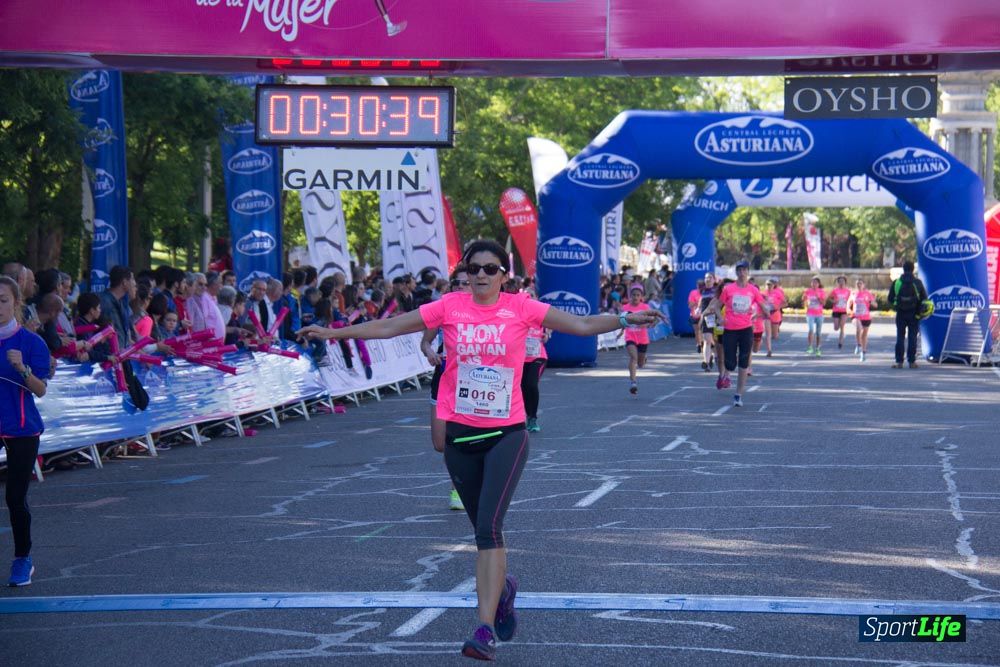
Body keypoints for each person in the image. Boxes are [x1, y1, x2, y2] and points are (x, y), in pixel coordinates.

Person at [298, 239, 663, 661]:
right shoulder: (449, 307)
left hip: (507, 432)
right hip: (460, 435)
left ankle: (484, 629)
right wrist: (331, 331)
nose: (483, 276)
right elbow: (389, 327)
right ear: (466, 273)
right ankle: (504, 589)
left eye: (491, 269)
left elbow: (579, 326)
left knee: (489, 529)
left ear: (503, 275)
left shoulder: (522, 307)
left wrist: (624, 317)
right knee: (482, 531)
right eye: (475, 269)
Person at [0, 276, 51, 586]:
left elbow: (41, 390)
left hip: (21, 428)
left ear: (16, 303)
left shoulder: (31, 343)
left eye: (3, 300)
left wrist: (23, 369)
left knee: (15, 498)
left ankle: (23, 559)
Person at [420, 265, 471, 511]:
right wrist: (431, 352)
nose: (460, 287)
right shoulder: (443, 309)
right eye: (456, 283)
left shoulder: (484, 310)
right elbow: (425, 341)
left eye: (465, 283)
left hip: (471, 380)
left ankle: (459, 487)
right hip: (443, 376)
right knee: (441, 443)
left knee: (461, 437)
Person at [705, 262, 769, 407]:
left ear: (748, 272)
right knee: (730, 363)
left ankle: (738, 394)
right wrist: (720, 318)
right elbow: (716, 306)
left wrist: (763, 313)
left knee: (744, 361)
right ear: (736, 273)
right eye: (739, 270)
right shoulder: (728, 289)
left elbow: (762, 305)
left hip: (746, 329)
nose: (741, 273)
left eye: (744, 270)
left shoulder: (753, 290)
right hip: (730, 329)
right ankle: (729, 373)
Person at [888, 260, 927, 368]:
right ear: (913, 269)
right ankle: (911, 361)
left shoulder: (897, 282)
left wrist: (897, 305)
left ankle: (899, 361)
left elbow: (890, 299)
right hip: (914, 314)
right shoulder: (917, 282)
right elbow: (924, 299)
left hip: (900, 313)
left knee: (900, 337)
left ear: (903, 269)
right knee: (912, 337)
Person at [622, 285, 651, 395]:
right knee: (633, 357)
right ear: (630, 296)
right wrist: (620, 331)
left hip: (643, 338)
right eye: (633, 295)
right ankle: (633, 383)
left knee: (641, 364)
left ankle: (644, 359)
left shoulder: (645, 307)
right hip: (630, 336)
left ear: (641, 296)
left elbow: (651, 320)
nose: (635, 297)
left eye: (638, 295)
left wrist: (647, 324)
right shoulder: (625, 308)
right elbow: (621, 321)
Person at [848, 278, 876, 362]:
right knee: (859, 328)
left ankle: (863, 353)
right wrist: (849, 310)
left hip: (866, 317)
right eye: (857, 284)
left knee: (864, 335)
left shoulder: (868, 293)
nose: (859, 285)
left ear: (864, 285)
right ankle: (858, 345)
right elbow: (848, 304)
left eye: (860, 283)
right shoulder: (853, 293)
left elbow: (875, 305)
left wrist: (870, 301)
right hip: (856, 316)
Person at [803, 276, 825, 356]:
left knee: (818, 333)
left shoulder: (821, 291)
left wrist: (818, 297)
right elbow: (804, 300)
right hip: (810, 313)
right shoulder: (808, 291)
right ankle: (810, 347)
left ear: (819, 284)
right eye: (812, 282)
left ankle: (818, 349)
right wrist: (804, 299)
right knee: (811, 330)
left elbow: (823, 303)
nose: (814, 284)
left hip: (819, 314)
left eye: (816, 282)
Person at [829, 276, 851, 350]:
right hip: (836, 310)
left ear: (845, 282)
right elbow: (830, 298)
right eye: (840, 281)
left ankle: (840, 342)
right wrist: (834, 301)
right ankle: (837, 329)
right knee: (836, 328)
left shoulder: (848, 291)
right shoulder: (835, 291)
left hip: (844, 311)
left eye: (843, 281)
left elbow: (851, 300)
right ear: (838, 283)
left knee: (842, 326)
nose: (841, 283)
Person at [687, 279, 704, 355]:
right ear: (696, 285)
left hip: (704, 315)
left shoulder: (706, 293)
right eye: (698, 285)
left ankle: (703, 343)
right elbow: (690, 305)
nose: (700, 287)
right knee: (697, 331)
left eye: (701, 285)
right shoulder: (693, 293)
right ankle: (699, 344)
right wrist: (698, 303)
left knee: (703, 330)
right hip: (695, 314)